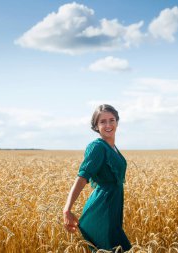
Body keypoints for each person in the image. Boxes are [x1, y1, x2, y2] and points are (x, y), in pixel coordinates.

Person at [63, 104, 132, 252]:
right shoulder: (97, 147)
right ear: (96, 126)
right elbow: (82, 177)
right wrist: (67, 209)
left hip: (113, 208)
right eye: (102, 121)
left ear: (117, 122)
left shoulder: (112, 147)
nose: (108, 125)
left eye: (111, 120)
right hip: (102, 210)